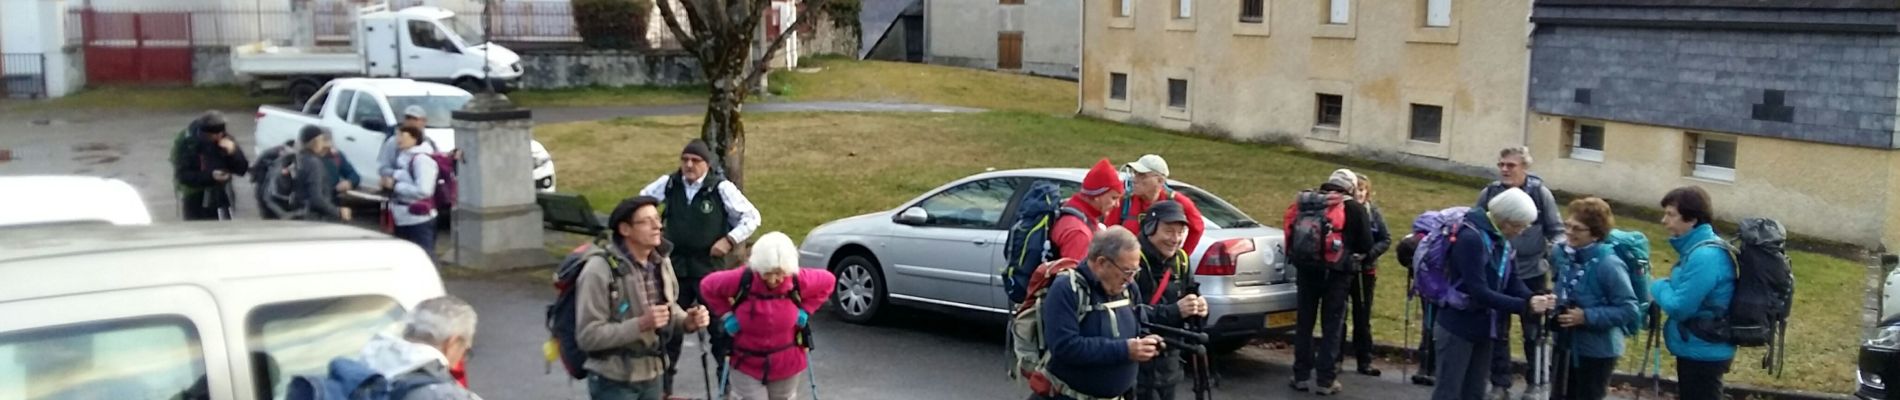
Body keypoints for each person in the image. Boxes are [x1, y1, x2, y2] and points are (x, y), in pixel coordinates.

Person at [636, 139, 763, 397]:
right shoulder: (670, 184)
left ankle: (723, 389)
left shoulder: (720, 188)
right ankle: (664, 389)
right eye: (685, 160)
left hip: (709, 270)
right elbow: (639, 202)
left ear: (706, 164)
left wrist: (729, 240)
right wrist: (653, 225)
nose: (688, 165)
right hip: (675, 268)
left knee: (718, 331)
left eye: (695, 161)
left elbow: (752, 217)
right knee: (669, 328)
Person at [577, 196, 714, 400]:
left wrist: (686, 320)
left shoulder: (661, 261)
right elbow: (588, 336)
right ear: (625, 229)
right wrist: (641, 324)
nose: (657, 226)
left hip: (654, 375)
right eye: (646, 221)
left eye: (657, 219)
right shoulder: (598, 270)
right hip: (614, 381)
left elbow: (670, 308)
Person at [1433, 188, 1557, 400]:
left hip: (1484, 327)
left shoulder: (1501, 238)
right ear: (1506, 221)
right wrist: (1524, 307)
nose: (1523, 231)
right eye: (1520, 225)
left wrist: (1534, 298)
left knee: (1474, 393)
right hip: (1457, 326)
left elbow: (1511, 280)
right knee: (1449, 392)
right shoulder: (1470, 238)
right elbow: (1479, 291)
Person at [699, 232, 838, 400]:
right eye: (767, 273)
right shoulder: (743, 278)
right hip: (746, 362)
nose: (773, 280)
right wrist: (727, 315)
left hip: (786, 363)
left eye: (779, 273)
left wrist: (806, 310)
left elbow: (829, 282)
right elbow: (707, 286)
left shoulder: (797, 280)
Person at [1475, 147, 1565, 400]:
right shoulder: (1490, 193)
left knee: (1534, 331)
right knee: (1498, 330)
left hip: (1531, 271)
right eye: (1501, 164)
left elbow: (1556, 229)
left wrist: (1556, 253)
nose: (1504, 169)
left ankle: (1535, 382)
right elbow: (1476, 223)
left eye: (1511, 165)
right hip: (1498, 272)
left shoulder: (1540, 193)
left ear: (1524, 168)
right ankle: (1500, 383)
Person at [1041, 227, 1161, 400]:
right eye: (1127, 271)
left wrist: (1147, 343)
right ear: (1101, 263)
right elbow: (1064, 347)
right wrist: (1125, 350)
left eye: (1135, 271)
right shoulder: (1067, 289)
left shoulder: (1129, 288)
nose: (1130, 279)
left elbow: (1139, 327)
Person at [1287, 169, 1373, 396]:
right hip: (1338, 274)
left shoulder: (1307, 202)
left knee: (1304, 323)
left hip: (1306, 271)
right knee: (1332, 326)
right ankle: (1326, 380)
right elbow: (1366, 244)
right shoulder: (1353, 207)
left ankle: (1300, 375)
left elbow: (1290, 233)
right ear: (1351, 187)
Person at [1548, 198, 1639, 400]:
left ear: (1596, 234)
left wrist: (1586, 317)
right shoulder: (1562, 254)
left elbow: (1628, 309)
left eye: (1577, 229)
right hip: (1564, 344)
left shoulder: (1609, 264)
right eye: (1567, 226)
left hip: (1597, 352)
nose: (1569, 233)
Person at [1650, 187, 1735, 400]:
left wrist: (1658, 286)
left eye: (1670, 214)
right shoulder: (1699, 249)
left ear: (1692, 219)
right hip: (1698, 345)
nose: (1664, 220)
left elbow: (1680, 307)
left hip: (1704, 350)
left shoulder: (1706, 256)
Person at [1130, 201, 1209, 400]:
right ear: (1150, 228)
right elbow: (1127, 315)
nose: (1175, 239)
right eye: (1169, 231)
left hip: (1170, 367)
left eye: (1181, 232)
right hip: (1136, 368)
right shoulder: (1131, 259)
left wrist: (1199, 309)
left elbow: (1189, 303)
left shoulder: (1181, 259)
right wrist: (1176, 310)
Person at [356, 296, 485, 400]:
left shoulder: (362, 371)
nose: (460, 360)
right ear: (452, 343)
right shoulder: (444, 395)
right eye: (464, 351)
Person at [1340, 174, 1391, 377]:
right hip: (1344, 269)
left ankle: (1364, 360)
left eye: (1363, 190)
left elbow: (1385, 239)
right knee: (1340, 314)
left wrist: (1368, 254)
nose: (1360, 193)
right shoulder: (1343, 211)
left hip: (1367, 270)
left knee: (1363, 316)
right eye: (1356, 190)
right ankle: (1336, 359)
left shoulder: (1374, 213)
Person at [1108, 155, 1206, 254]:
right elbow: (1109, 234)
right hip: (1126, 264)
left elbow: (1198, 227)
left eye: (1142, 175)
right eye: (1135, 174)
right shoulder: (1124, 201)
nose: (1134, 179)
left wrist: (1181, 256)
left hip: (1160, 266)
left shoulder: (1177, 201)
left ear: (1160, 181)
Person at [174, 111, 249, 220]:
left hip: (221, 197)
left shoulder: (226, 141)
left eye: (222, 133)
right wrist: (211, 176)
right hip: (196, 199)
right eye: (215, 134)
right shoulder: (190, 145)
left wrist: (233, 152)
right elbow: (182, 175)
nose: (220, 137)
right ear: (205, 133)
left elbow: (242, 169)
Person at [1053, 158, 1127, 261]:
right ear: (1097, 195)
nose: (1117, 205)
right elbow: (1072, 276)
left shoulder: (1070, 208)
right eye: (1113, 198)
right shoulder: (1079, 233)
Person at [390, 126, 442, 260]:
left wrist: (396, 186)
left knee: (424, 257)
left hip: (419, 220)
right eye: (397, 135)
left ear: (414, 138)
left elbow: (424, 190)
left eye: (402, 135)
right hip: (402, 218)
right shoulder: (403, 158)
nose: (398, 139)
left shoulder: (421, 160)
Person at [284, 126, 352, 222]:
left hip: (296, 213)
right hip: (312, 218)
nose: (324, 144)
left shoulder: (298, 158)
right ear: (315, 142)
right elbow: (316, 198)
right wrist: (338, 212)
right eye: (322, 140)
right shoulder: (314, 163)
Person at [1397, 231, 1436, 386]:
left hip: (1438, 284)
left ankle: (1428, 367)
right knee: (1430, 325)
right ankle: (1428, 367)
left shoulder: (1430, 247)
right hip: (1430, 282)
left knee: (1431, 326)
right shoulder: (1409, 246)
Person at [381, 105, 435, 192]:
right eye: (408, 118)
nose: (410, 122)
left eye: (415, 119)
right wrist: (396, 176)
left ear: (424, 121)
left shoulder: (428, 144)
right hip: (397, 195)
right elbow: (383, 169)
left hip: (417, 196)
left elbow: (424, 189)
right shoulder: (393, 142)